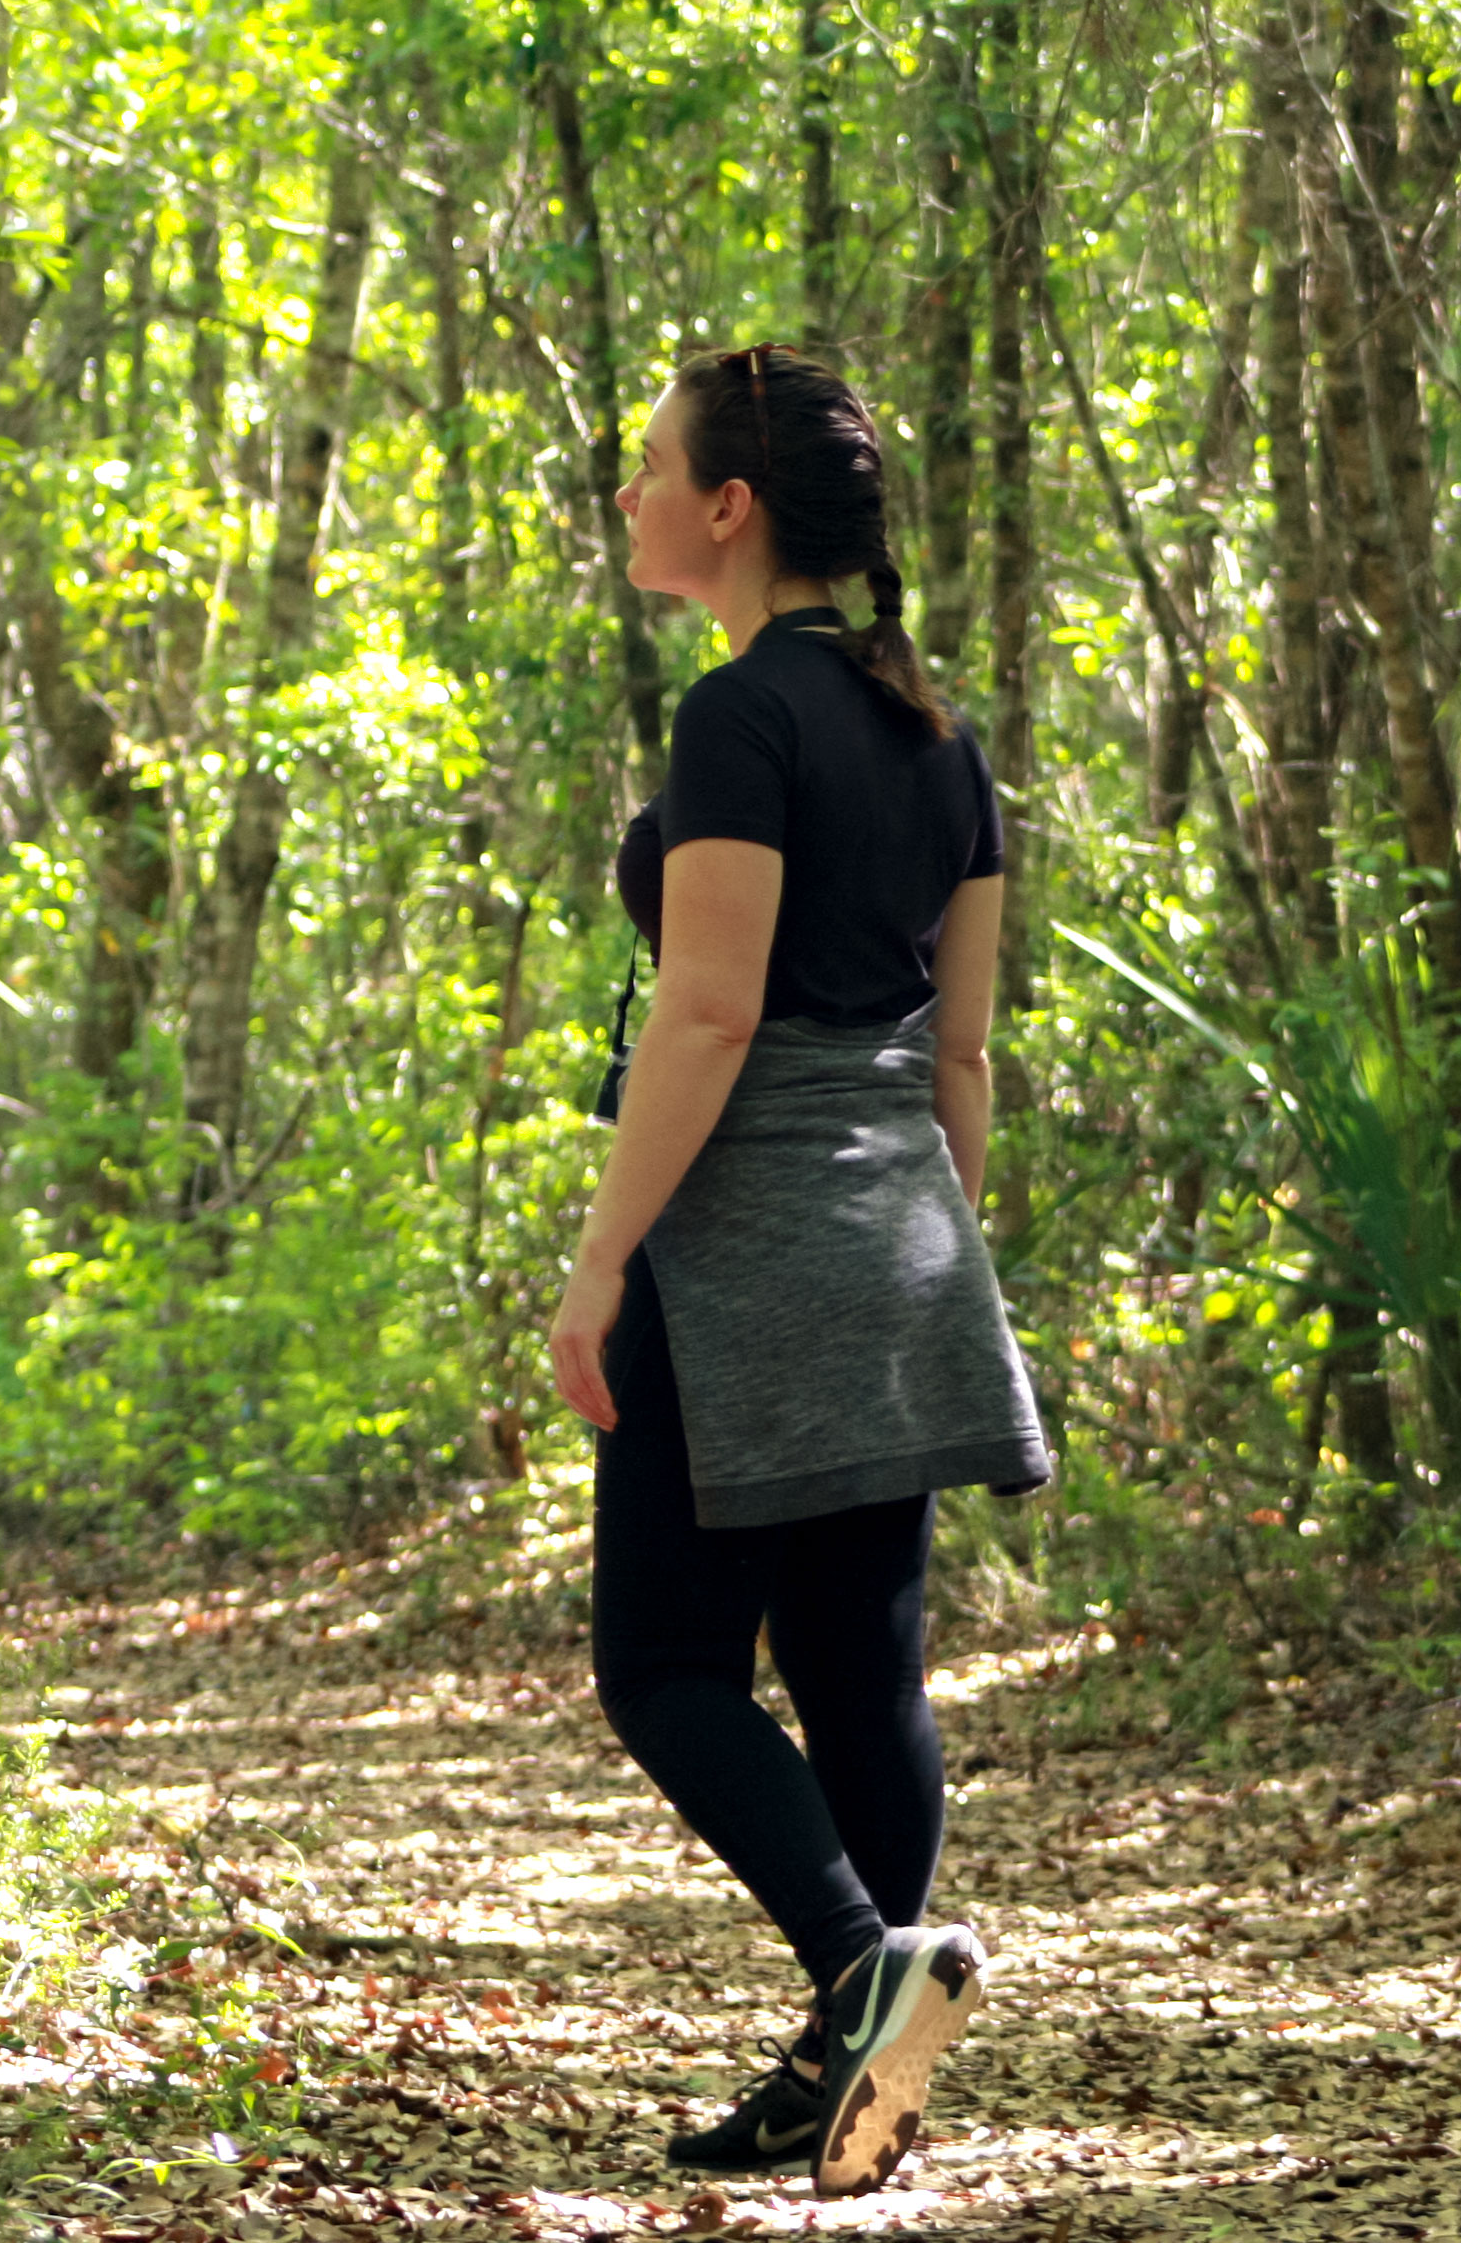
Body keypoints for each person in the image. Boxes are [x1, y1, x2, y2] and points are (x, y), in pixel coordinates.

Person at [547, 344, 1055, 2199]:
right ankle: (849, 2073)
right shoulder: (944, 736)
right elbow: (963, 1058)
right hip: (908, 1237)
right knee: (863, 1672)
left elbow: (708, 1007)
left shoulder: (740, 718)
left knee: (666, 1662)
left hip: (747, 1240)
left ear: (731, 507)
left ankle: (860, 1967)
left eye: (650, 467)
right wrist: (931, 1271)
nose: (630, 497)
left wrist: (602, 1265)